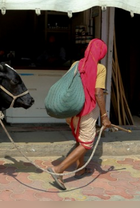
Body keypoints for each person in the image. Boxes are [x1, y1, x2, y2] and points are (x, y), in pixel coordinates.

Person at [47, 38, 112, 190]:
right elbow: (98, 92)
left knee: (79, 137)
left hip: (72, 110)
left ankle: (80, 168)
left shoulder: (76, 64)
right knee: (86, 143)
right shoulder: (100, 68)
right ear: (101, 53)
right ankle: (58, 170)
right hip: (87, 111)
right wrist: (104, 116)